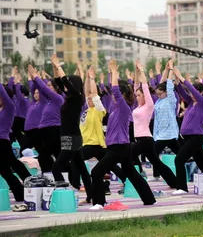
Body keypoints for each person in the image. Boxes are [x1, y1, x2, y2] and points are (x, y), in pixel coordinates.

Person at [89, 59, 155, 210]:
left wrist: (115, 72)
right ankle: (149, 199)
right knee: (132, 174)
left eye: (116, 94)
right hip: (120, 146)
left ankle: (99, 203)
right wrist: (109, 73)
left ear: (123, 94)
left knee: (96, 172)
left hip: (119, 147)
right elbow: (109, 91)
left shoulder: (125, 107)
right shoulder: (115, 107)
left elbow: (115, 90)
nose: (112, 96)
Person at [71, 65, 125, 193]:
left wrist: (92, 78)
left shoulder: (99, 110)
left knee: (75, 159)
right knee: (110, 164)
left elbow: (94, 94)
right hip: (90, 144)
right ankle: (125, 178)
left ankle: (76, 185)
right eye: (88, 99)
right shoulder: (87, 110)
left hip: (94, 144)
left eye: (91, 99)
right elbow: (87, 92)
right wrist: (85, 78)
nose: (89, 99)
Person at [46, 56, 92, 201]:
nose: (66, 86)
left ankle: (64, 196)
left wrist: (60, 66)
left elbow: (65, 81)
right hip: (71, 138)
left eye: (69, 84)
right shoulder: (69, 98)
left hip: (72, 138)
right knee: (82, 170)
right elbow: (59, 81)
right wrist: (54, 66)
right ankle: (91, 196)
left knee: (56, 168)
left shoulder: (76, 97)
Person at [131, 60, 178, 189]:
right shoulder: (143, 105)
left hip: (145, 139)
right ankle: (174, 182)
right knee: (157, 163)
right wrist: (136, 71)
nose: (137, 97)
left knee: (127, 159)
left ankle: (132, 183)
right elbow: (136, 86)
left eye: (139, 95)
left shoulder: (149, 105)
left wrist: (142, 72)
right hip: (149, 137)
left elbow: (145, 86)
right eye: (136, 95)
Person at [171, 66, 203, 194]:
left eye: (194, 93)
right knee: (202, 163)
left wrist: (181, 77)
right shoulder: (191, 102)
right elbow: (181, 91)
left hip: (196, 137)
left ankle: (182, 187)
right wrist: (176, 77)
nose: (191, 95)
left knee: (179, 159)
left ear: (201, 93)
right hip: (188, 137)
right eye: (191, 94)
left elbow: (191, 88)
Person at [0, 80, 31, 203]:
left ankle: (20, 192)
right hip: (2, 142)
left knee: (4, 170)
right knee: (13, 164)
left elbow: (4, 93)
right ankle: (29, 182)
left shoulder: (10, 107)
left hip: (2, 141)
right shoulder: (1, 110)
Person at [151, 59, 181, 180]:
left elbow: (168, 83)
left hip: (167, 134)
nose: (157, 95)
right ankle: (157, 175)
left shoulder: (170, 98)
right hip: (162, 133)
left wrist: (171, 69)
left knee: (153, 153)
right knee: (181, 154)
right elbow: (162, 82)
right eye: (157, 94)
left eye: (159, 93)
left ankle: (159, 175)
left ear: (166, 92)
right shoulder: (160, 100)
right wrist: (165, 68)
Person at [34, 64, 65, 174]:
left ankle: (49, 178)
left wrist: (36, 77)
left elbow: (44, 89)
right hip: (48, 131)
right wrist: (35, 78)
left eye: (50, 86)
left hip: (54, 130)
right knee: (58, 156)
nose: (47, 87)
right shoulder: (50, 101)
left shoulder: (58, 98)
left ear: (56, 88)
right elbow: (42, 90)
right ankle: (66, 177)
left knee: (43, 158)